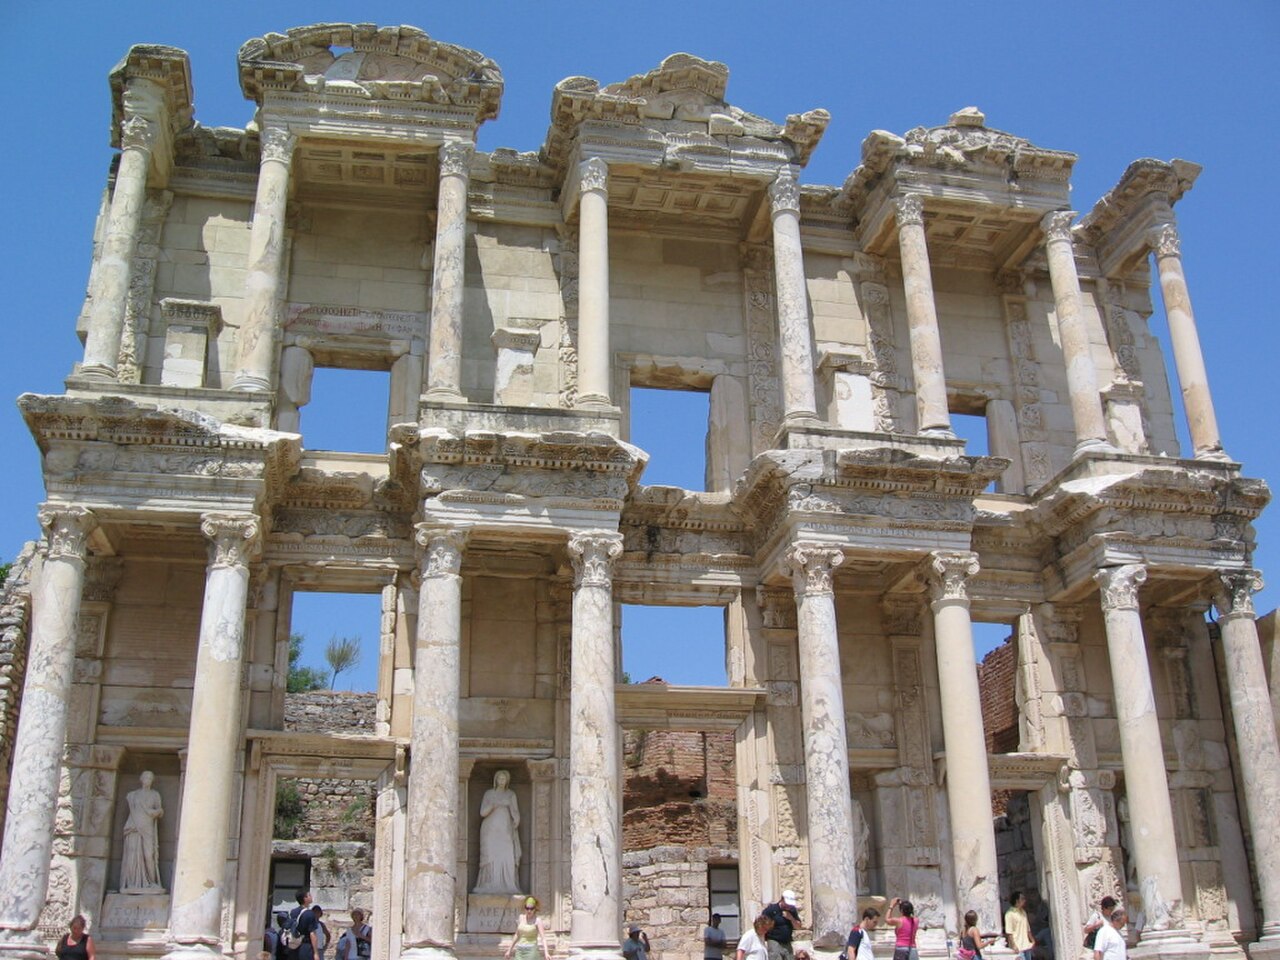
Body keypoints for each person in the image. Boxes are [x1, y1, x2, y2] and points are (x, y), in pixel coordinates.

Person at [475, 769, 522, 893]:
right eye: (499, 778)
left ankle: (508, 884)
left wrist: (516, 819)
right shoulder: (489, 794)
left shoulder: (511, 795)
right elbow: (482, 812)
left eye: (504, 779)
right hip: (490, 830)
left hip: (505, 830)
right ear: (495, 779)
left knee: (507, 854)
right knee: (490, 855)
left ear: (507, 781)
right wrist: (493, 805)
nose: (501, 781)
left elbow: (516, 813)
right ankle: (488, 884)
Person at [120, 770, 164, 892]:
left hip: (147, 826)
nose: (147, 780)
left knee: (149, 855)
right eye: (146, 777)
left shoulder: (155, 795)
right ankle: (133, 883)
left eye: (150, 778)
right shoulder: (133, 795)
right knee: (133, 854)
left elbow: (160, 811)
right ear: (141, 779)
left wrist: (154, 812)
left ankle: (152, 882)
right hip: (133, 826)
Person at [763, 891, 802, 960]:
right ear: (782, 899)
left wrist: (791, 918)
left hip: (787, 942)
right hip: (774, 941)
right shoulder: (771, 910)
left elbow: (798, 926)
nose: (788, 906)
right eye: (787, 904)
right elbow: (762, 924)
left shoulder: (792, 910)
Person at [1004, 892, 1035, 960]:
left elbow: (1027, 928)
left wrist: (1032, 940)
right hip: (1018, 947)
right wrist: (1013, 945)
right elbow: (1009, 932)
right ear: (1017, 901)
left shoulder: (1023, 912)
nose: (1024, 900)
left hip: (1026, 946)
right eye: (1022, 899)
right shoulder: (1009, 914)